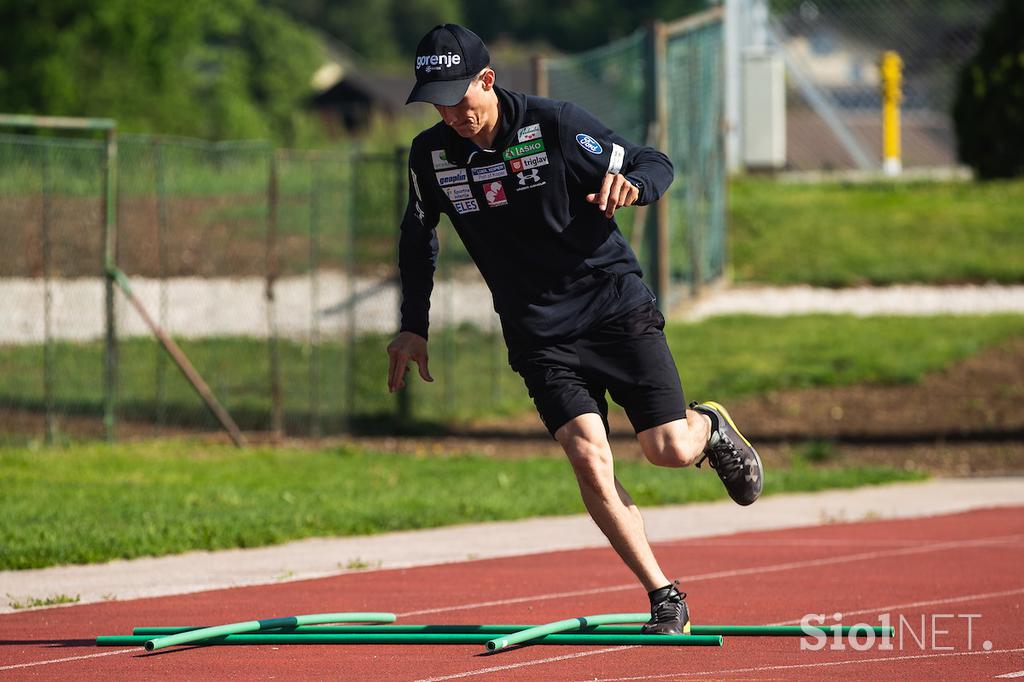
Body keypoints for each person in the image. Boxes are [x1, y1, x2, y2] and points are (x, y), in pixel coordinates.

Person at [386, 24, 763, 635]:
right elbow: (417, 239)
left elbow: (652, 162)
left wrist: (634, 185)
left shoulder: (554, 126)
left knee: (666, 449)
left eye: (460, 96)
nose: (450, 112)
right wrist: (413, 326)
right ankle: (663, 594)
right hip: (537, 333)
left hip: (613, 308)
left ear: (488, 80)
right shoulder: (430, 156)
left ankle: (710, 427)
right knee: (589, 458)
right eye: (437, 99)